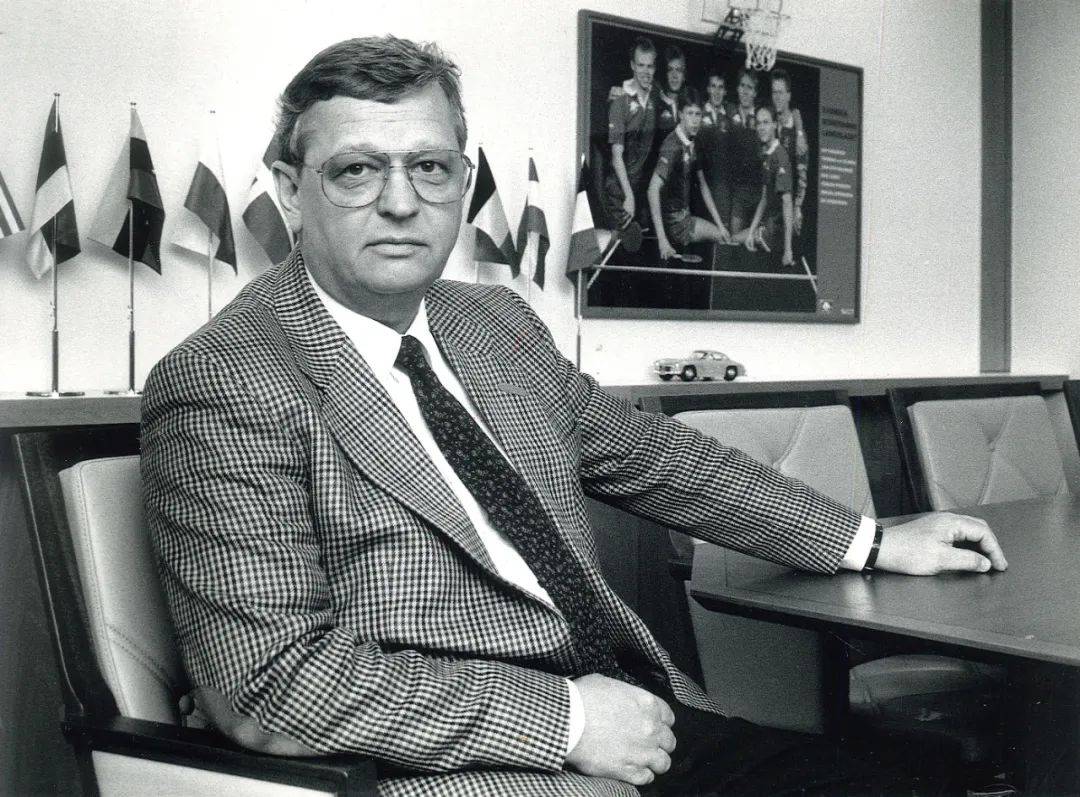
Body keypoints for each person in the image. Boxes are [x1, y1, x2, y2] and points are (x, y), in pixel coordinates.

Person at [142, 35, 1007, 797]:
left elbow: (662, 459)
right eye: (357, 170)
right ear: (291, 190)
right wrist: (564, 719)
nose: (401, 202)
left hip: (638, 717)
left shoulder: (494, 322)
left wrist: (871, 541)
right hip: (459, 765)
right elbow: (269, 683)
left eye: (430, 167)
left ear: (462, 181)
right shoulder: (227, 377)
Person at [647, 88, 730, 262]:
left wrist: (720, 225)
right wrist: (662, 241)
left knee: (722, 235)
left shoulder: (691, 141)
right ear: (680, 115)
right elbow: (652, 190)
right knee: (722, 239)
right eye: (690, 113)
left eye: (698, 114)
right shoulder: (672, 146)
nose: (695, 120)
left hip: (686, 218)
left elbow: (703, 184)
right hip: (675, 226)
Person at [602, 37, 657, 229]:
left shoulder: (654, 98)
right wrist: (629, 196)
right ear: (632, 65)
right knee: (621, 243)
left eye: (650, 66)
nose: (646, 71)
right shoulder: (620, 101)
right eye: (641, 65)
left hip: (639, 189)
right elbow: (616, 157)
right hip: (620, 191)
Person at [770, 68, 809, 235]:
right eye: (774, 92)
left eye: (781, 92)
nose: (777, 97)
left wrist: (797, 207)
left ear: (788, 95)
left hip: (788, 205)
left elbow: (802, 176)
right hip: (770, 202)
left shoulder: (798, 133)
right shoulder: (770, 121)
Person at [727, 68, 762, 236]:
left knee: (758, 240)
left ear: (755, 92)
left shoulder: (763, 116)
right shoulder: (728, 111)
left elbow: (792, 112)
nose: (745, 91)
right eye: (742, 86)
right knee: (734, 241)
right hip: (737, 191)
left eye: (750, 87)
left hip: (758, 191)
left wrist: (799, 131)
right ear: (737, 88)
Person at [697, 70, 732, 232]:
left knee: (722, 231)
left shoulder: (730, 115)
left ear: (725, 91)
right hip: (701, 181)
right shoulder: (698, 112)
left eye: (720, 87)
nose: (717, 92)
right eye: (713, 86)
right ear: (708, 89)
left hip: (722, 185)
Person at [655, 45, 687, 136]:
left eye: (678, 70)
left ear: (684, 76)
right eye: (670, 69)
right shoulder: (655, 102)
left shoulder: (688, 104)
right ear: (665, 74)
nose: (674, 75)